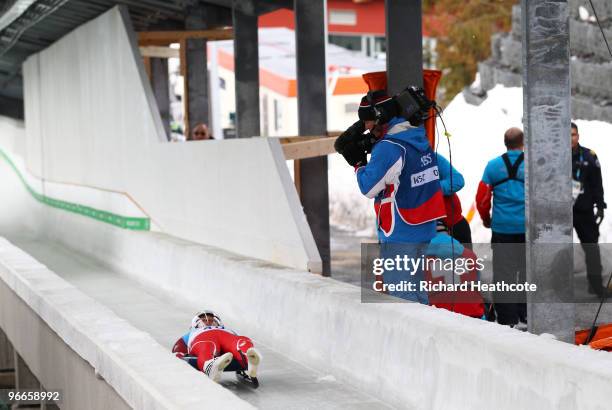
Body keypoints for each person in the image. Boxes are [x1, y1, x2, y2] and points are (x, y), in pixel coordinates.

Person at [336, 86, 446, 303]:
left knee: (401, 296)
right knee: (418, 290)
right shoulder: (415, 135)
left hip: (400, 229)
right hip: (423, 224)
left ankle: (411, 336)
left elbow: (369, 187)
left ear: (380, 117)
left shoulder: (389, 147)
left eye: (367, 122)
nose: (366, 128)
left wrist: (358, 164)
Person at [475, 127, 526, 327]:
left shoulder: (493, 166)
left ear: (505, 143)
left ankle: (506, 319)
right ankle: (525, 314)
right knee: (525, 271)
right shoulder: (531, 166)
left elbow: (482, 198)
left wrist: (487, 219)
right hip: (525, 229)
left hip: (502, 229)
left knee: (504, 273)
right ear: (523, 143)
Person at [172, 311, 261, 382]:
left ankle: (248, 358)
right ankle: (210, 365)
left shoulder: (227, 329)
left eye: (211, 321)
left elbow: (176, 350)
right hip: (203, 338)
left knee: (241, 341)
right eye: (204, 321)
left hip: (225, 335)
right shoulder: (191, 334)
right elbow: (177, 349)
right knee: (208, 345)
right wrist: (181, 356)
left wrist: (179, 356)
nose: (208, 323)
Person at [571, 122, 607, 297]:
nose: (571, 138)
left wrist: (600, 206)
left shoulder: (589, 156)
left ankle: (596, 286)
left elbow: (597, 184)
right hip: (561, 212)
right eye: (568, 134)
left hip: (584, 211)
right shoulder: (554, 156)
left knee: (592, 249)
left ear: (579, 136)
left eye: (574, 134)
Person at [436, 153, 472, 247]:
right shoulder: (397, 160)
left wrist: (430, 189)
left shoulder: (432, 157)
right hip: (422, 231)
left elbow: (458, 180)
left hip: (455, 224)